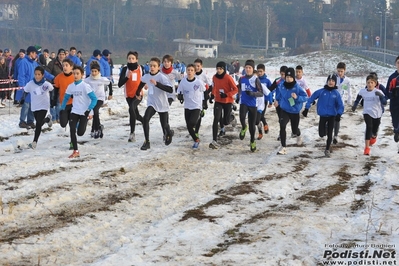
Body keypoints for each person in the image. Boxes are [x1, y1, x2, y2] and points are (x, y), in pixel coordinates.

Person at [302, 74, 344, 157]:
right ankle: (325, 129)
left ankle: (327, 149)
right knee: (321, 134)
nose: (331, 82)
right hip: (323, 116)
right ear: (327, 81)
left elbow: (340, 105)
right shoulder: (321, 91)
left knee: (329, 133)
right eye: (329, 80)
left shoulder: (336, 94)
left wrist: (339, 114)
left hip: (332, 116)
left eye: (333, 81)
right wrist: (307, 108)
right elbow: (311, 98)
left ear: (335, 83)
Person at [60, 65, 97, 158]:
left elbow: (94, 99)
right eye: (74, 73)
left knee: (80, 132)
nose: (75, 75)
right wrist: (62, 108)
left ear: (82, 75)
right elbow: (66, 97)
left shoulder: (85, 86)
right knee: (72, 129)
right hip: (74, 111)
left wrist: (89, 109)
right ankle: (75, 151)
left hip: (84, 112)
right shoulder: (71, 86)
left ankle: (84, 122)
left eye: (77, 74)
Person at [16, 46, 54, 129]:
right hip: (26, 87)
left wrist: (53, 77)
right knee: (26, 105)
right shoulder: (23, 62)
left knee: (32, 105)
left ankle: (30, 121)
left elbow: (43, 72)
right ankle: (22, 121)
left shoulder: (34, 63)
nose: (36, 55)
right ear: (31, 53)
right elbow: (21, 76)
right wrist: (22, 88)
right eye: (35, 53)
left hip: (34, 87)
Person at [140, 57, 174, 150]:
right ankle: (147, 142)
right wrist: (137, 92)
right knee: (145, 119)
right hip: (152, 103)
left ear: (158, 67)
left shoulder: (161, 77)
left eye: (154, 66)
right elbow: (141, 82)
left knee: (164, 125)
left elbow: (170, 89)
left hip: (162, 104)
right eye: (151, 65)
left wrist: (157, 84)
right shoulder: (146, 76)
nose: (152, 67)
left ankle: (169, 133)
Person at [274, 67, 308, 155]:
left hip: (294, 111)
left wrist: (297, 98)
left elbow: (305, 97)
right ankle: (283, 147)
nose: (288, 79)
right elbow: (279, 94)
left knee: (294, 130)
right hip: (284, 109)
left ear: (293, 77)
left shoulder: (297, 87)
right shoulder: (282, 85)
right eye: (287, 77)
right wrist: (276, 100)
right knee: (282, 125)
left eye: (290, 77)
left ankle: (298, 134)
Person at [352, 74, 387, 155]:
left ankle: (374, 135)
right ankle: (367, 148)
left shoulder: (378, 92)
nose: (370, 84)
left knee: (374, 130)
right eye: (368, 82)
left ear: (375, 84)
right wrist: (355, 105)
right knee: (369, 127)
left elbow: (384, 103)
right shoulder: (363, 91)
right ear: (366, 83)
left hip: (377, 114)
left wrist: (381, 97)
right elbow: (358, 98)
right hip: (367, 112)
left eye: (372, 82)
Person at [235, 59, 264, 152]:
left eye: (250, 68)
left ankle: (252, 141)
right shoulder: (242, 78)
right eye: (246, 68)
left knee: (252, 125)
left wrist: (252, 93)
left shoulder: (255, 79)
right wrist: (237, 96)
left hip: (252, 104)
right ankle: (244, 127)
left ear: (253, 69)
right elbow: (239, 88)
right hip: (243, 102)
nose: (248, 69)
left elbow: (261, 93)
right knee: (242, 118)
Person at [209, 61, 238, 149]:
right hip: (218, 100)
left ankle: (231, 117)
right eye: (217, 69)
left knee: (226, 121)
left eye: (220, 69)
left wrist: (227, 94)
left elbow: (235, 89)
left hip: (227, 101)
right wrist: (212, 95)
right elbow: (214, 87)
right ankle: (214, 140)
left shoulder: (228, 78)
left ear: (224, 69)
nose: (218, 70)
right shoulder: (214, 77)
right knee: (216, 118)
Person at [23, 66, 54, 149]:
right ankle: (47, 119)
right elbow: (25, 90)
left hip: (44, 106)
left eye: (39, 74)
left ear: (42, 75)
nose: (37, 76)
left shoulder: (46, 84)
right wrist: (22, 99)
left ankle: (34, 142)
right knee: (39, 123)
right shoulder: (30, 84)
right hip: (34, 106)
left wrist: (52, 100)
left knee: (38, 123)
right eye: (36, 74)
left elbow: (52, 89)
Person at [176, 63, 206, 149]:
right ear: (186, 71)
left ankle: (197, 120)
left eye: (191, 70)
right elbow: (179, 91)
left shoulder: (198, 82)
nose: (190, 72)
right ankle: (196, 140)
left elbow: (204, 91)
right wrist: (180, 96)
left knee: (192, 123)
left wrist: (204, 103)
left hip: (196, 106)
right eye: (188, 70)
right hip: (187, 106)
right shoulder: (183, 81)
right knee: (188, 125)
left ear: (194, 72)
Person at [118, 51, 145, 142]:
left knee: (131, 109)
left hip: (138, 95)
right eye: (129, 58)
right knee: (136, 115)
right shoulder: (125, 70)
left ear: (136, 59)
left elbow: (145, 78)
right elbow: (119, 84)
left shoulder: (141, 68)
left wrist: (147, 84)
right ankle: (145, 121)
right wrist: (127, 77)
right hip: (128, 95)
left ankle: (132, 133)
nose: (131, 60)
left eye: (133, 58)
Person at [85, 61, 110, 139]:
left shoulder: (102, 79)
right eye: (92, 71)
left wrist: (111, 94)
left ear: (98, 71)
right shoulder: (87, 80)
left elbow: (110, 84)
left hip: (100, 98)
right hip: (92, 99)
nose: (94, 73)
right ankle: (95, 129)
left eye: (95, 71)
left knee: (95, 110)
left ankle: (97, 128)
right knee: (94, 112)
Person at [53, 58, 75, 150]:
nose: (64, 67)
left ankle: (72, 142)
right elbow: (56, 89)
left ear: (71, 67)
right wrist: (54, 100)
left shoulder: (75, 77)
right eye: (63, 65)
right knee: (63, 124)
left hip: (74, 104)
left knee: (72, 125)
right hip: (64, 104)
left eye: (67, 65)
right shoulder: (59, 77)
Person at [47, 48, 67, 124]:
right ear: (57, 55)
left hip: (63, 86)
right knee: (52, 103)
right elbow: (47, 73)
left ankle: (59, 117)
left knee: (59, 103)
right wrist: (51, 82)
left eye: (63, 54)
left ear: (65, 55)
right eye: (60, 54)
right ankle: (54, 117)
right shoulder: (52, 63)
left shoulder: (67, 64)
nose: (61, 56)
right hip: (54, 85)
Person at [193, 58, 213, 134]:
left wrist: (208, 93)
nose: (196, 67)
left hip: (201, 97)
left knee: (198, 115)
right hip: (192, 97)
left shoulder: (204, 75)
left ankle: (196, 132)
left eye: (198, 66)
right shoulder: (191, 73)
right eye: (195, 66)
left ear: (201, 66)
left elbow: (211, 85)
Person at [334, 62, 351, 144]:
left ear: (345, 71)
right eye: (338, 71)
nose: (340, 73)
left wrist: (349, 99)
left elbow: (349, 90)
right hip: (332, 101)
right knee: (330, 117)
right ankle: (327, 129)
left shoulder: (347, 80)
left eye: (341, 71)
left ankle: (335, 136)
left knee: (337, 118)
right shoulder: (333, 77)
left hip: (340, 102)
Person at [255, 63, 272, 139]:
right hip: (255, 101)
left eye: (261, 71)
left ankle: (265, 124)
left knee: (261, 116)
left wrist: (271, 101)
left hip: (264, 101)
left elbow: (270, 91)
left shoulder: (267, 81)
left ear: (264, 71)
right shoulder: (255, 79)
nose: (259, 73)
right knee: (256, 119)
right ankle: (260, 132)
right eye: (258, 71)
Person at [385, 55, 399, 143]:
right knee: (396, 123)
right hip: (395, 104)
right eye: (398, 63)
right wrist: (392, 93)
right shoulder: (392, 77)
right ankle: (396, 131)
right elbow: (387, 91)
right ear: (395, 64)